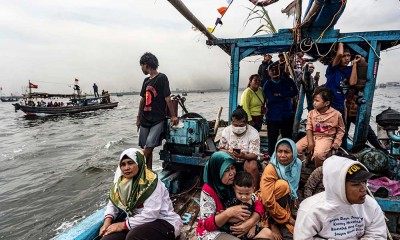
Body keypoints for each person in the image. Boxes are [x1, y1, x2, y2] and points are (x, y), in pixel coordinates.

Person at [294, 156, 387, 239]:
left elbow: (378, 234)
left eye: (364, 182)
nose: (363, 189)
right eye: (356, 184)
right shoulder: (311, 210)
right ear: (339, 186)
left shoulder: (371, 205)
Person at [99, 148, 183, 240]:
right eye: (123, 164)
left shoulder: (151, 183)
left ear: (139, 162)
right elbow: (113, 203)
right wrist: (107, 222)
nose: (126, 168)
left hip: (163, 222)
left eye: (130, 163)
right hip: (135, 223)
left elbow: (151, 214)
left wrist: (122, 225)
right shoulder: (121, 183)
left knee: (133, 236)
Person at [196, 152, 273, 240]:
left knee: (268, 234)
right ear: (216, 171)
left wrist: (251, 222)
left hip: (240, 228)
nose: (232, 173)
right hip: (216, 231)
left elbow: (257, 203)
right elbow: (208, 225)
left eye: (233, 168)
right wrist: (229, 213)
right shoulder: (208, 190)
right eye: (226, 170)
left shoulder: (235, 182)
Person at [136, 52, 178, 169]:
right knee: (145, 147)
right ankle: (148, 172)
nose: (141, 69)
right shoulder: (146, 81)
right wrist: (138, 118)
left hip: (157, 119)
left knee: (149, 146)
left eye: (141, 66)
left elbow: (167, 98)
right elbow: (142, 100)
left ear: (146, 64)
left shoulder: (162, 78)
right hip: (145, 118)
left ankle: (134, 168)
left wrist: (173, 116)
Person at [258, 138, 302, 240]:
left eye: (286, 152)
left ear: (294, 153)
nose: (282, 155)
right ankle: (273, 223)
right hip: (268, 206)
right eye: (279, 151)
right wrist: (288, 218)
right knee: (283, 185)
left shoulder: (297, 164)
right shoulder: (271, 168)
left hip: (287, 203)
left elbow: (295, 188)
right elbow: (267, 200)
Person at [324, 42, 361, 150]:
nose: (346, 58)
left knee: (342, 134)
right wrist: (340, 43)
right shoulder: (332, 69)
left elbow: (353, 82)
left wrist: (354, 64)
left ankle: (343, 154)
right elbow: (339, 54)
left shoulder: (349, 70)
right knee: (328, 133)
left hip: (340, 106)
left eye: (348, 56)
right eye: (344, 56)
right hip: (329, 106)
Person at [296, 87, 345, 167]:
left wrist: (336, 142)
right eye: (314, 100)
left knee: (318, 155)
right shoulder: (312, 113)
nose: (314, 103)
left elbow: (341, 130)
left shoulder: (336, 114)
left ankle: (318, 171)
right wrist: (310, 142)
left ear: (327, 103)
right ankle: (302, 165)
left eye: (317, 101)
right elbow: (308, 128)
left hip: (326, 138)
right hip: (312, 136)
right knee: (296, 148)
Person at [219, 106, 261, 191]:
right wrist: (228, 152)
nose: (238, 128)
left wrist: (243, 156)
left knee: (252, 165)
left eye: (241, 125)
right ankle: (223, 190)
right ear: (231, 122)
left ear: (246, 123)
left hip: (246, 161)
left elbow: (254, 155)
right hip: (231, 160)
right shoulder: (226, 131)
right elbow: (220, 148)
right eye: (235, 125)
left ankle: (255, 192)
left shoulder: (253, 132)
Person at [224, 171, 274, 240]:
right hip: (237, 232)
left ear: (253, 189)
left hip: (251, 231)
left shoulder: (253, 201)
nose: (244, 197)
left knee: (268, 232)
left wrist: (252, 226)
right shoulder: (233, 202)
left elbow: (256, 217)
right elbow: (226, 217)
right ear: (234, 189)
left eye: (247, 194)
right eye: (240, 193)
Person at [263, 61, 299, 155]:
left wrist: (280, 94)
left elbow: (295, 92)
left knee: (287, 137)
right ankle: (272, 157)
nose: (274, 71)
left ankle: (288, 155)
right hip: (273, 116)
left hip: (287, 114)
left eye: (276, 69)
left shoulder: (288, 80)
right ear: (268, 73)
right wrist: (285, 95)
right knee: (272, 138)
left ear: (280, 70)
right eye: (272, 70)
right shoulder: (267, 84)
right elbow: (271, 98)